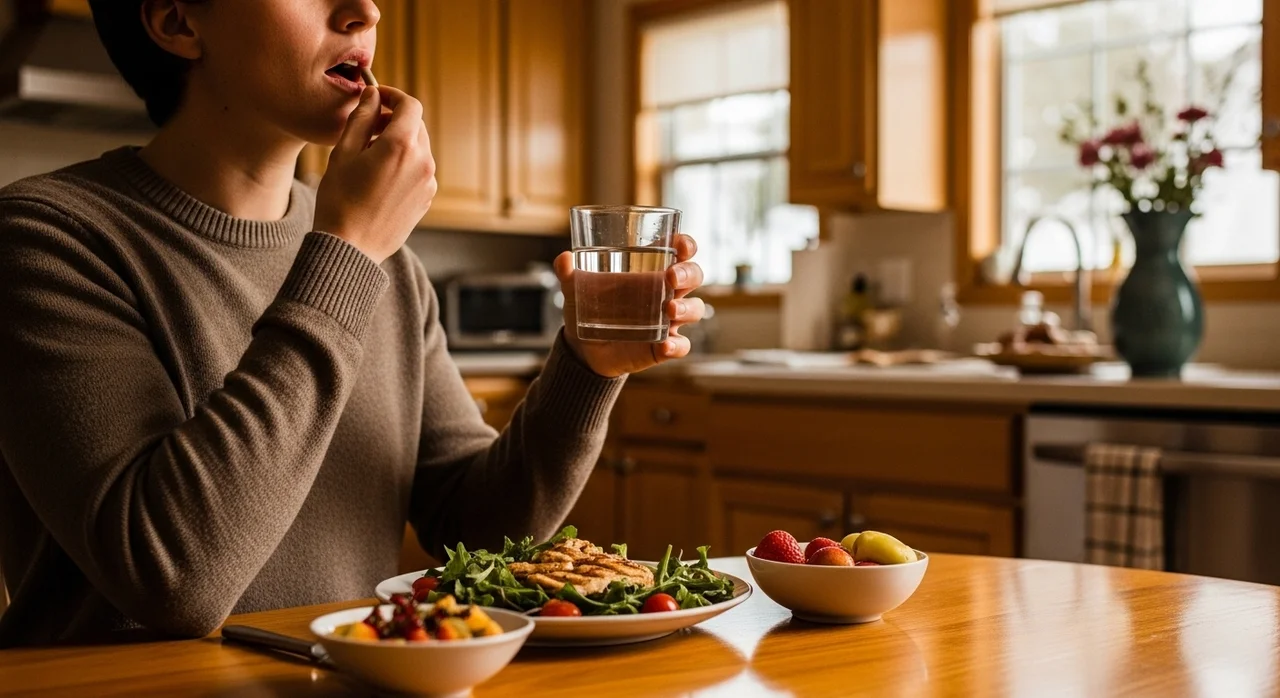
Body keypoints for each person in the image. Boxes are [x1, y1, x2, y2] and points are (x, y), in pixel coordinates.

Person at [0, 0, 704, 647]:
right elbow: (175, 580)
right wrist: (348, 252)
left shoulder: (385, 263)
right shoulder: (47, 240)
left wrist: (585, 368)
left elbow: (480, 530)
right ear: (180, 22)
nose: (364, 9)